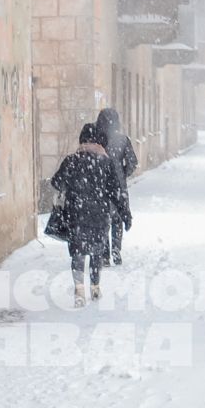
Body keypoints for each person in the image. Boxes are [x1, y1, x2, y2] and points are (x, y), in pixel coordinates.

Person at [51, 123, 129, 303]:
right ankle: (95, 287)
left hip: (76, 214)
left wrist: (71, 183)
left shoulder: (71, 160)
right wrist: (125, 214)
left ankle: (79, 291)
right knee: (96, 252)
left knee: (78, 253)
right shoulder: (106, 163)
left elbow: (56, 182)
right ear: (101, 141)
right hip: (99, 215)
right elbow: (116, 191)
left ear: (82, 140)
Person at [94, 106, 138, 264]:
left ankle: (104, 254)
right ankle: (116, 249)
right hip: (118, 183)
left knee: (103, 217)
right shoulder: (123, 140)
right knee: (117, 217)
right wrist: (122, 173)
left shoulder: (96, 139)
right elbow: (133, 162)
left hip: (100, 183)